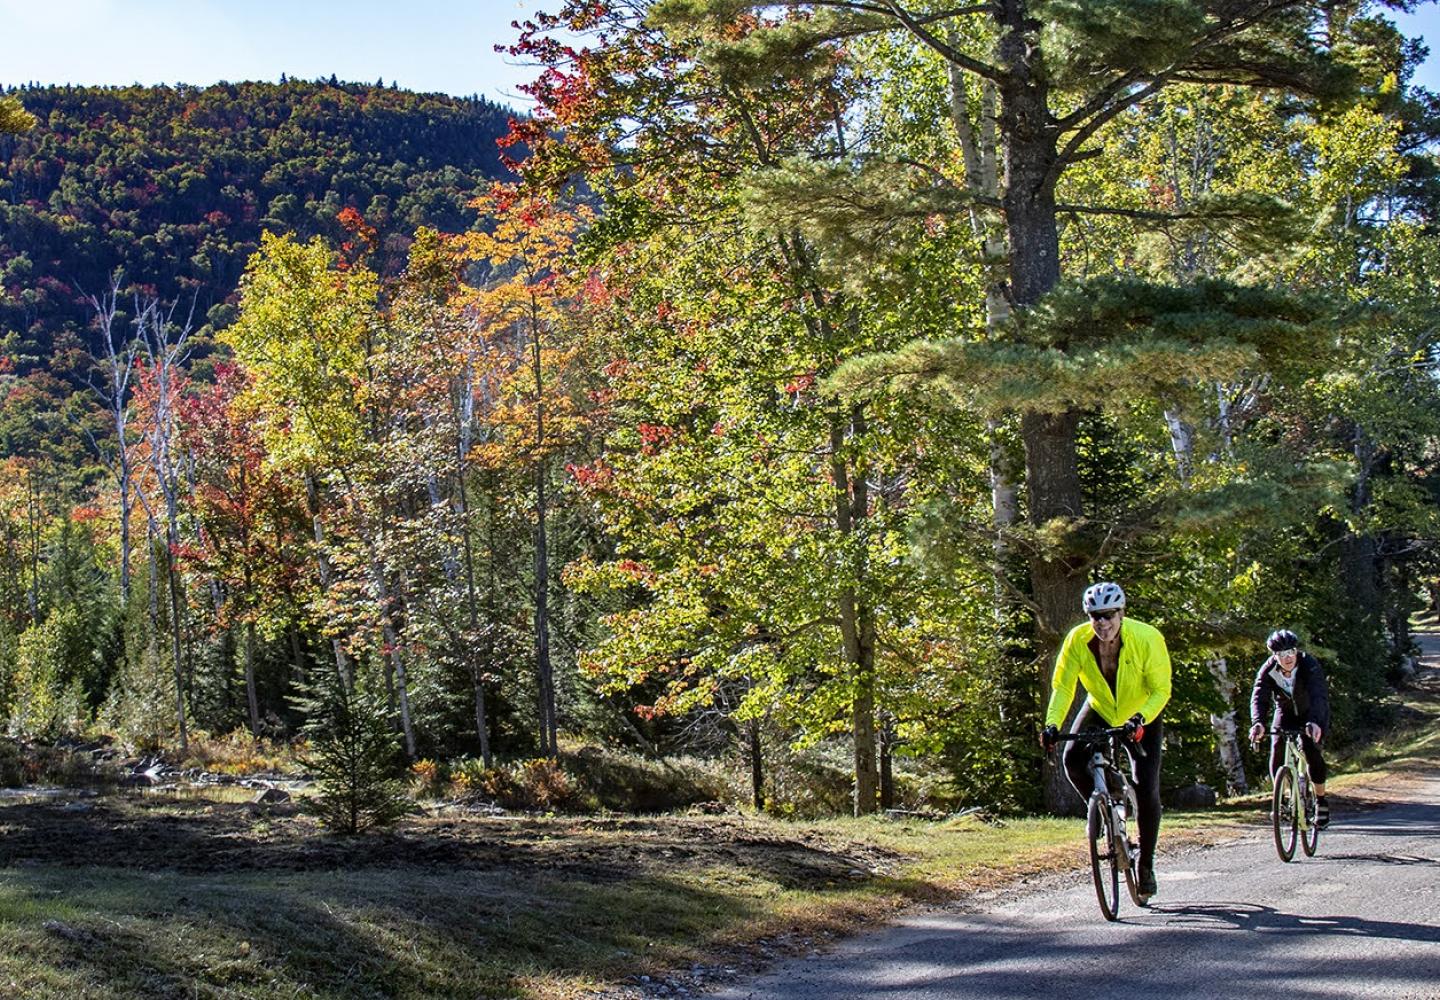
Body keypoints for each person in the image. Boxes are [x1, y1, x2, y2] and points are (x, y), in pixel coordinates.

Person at [1040, 582, 1172, 900]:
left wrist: (1140, 718)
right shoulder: (1078, 641)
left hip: (1141, 714)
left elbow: (1161, 689)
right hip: (1100, 707)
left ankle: (1146, 866)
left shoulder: (1147, 637)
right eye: (1095, 617)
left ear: (1121, 613)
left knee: (1146, 785)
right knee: (1071, 760)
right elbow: (1063, 687)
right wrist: (1052, 724)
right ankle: (1101, 806)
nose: (1102, 624)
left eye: (1109, 615)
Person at [1248, 629, 1330, 829]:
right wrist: (1257, 723)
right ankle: (1282, 797)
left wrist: (1315, 721)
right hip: (1284, 713)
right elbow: (1259, 696)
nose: (1288, 658)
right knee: (1276, 749)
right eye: (1283, 654)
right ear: (1275, 656)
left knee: (1312, 752)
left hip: (1311, 712)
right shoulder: (1268, 670)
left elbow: (1318, 694)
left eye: (1291, 651)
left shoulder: (1308, 664)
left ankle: (1320, 800)